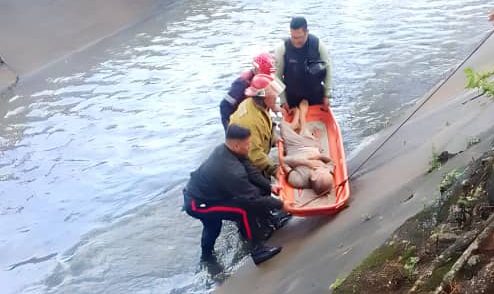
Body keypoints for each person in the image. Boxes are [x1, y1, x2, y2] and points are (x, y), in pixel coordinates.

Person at [183, 124, 284, 265]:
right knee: (244, 211)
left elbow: (251, 170)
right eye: (247, 144)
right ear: (236, 145)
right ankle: (257, 250)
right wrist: (282, 204)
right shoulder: (231, 170)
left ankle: (206, 258)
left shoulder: (230, 151)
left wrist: (270, 186)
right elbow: (252, 199)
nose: (249, 147)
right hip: (197, 204)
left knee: (213, 225)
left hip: (207, 194)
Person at [229, 73, 285, 178]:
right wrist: (275, 169)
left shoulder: (256, 105)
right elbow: (254, 154)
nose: (276, 98)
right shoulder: (250, 121)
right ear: (265, 98)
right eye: (273, 96)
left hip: (251, 156)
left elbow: (265, 127)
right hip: (244, 167)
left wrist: (274, 139)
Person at [274, 16, 332, 111]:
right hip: (292, 97)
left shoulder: (318, 45)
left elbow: (328, 70)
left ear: (306, 32)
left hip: (315, 95)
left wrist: (327, 95)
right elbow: (277, 76)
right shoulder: (282, 49)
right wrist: (283, 100)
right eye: (293, 37)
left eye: (299, 37)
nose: (295, 41)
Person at [280, 100, 334, 195]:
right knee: (305, 131)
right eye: (327, 171)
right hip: (312, 146)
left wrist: (306, 162)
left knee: (282, 127)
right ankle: (301, 118)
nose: (324, 169)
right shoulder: (326, 171)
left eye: (322, 171)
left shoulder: (298, 181)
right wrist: (319, 157)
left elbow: (284, 161)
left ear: (314, 177)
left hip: (295, 148)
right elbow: (331, 162)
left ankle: (296, 118)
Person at [220, 53, 276, 131]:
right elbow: (225, 105)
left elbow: (272, 95)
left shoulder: (267, 79)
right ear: (257, 70)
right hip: (241, 115)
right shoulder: (242, 83)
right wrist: (229, 127)